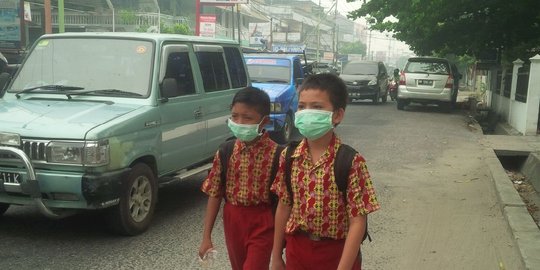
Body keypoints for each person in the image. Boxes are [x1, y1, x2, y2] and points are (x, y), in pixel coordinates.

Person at [270, 73, 380, 270]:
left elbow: (357, 220)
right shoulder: (288, 156)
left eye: (317, 107)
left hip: (337, 254)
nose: (307, 112)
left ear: (337, 115)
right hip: (298, 249)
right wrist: (276, 256)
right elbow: (283, 207)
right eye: (302, 106)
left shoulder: (350, 161)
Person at [199, 86, 281, 270]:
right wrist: (206, 237)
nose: (239, 122)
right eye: (235, 116)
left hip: (263, 221)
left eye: (248, 117)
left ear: (264, 121)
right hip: (233, 219)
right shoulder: (226, 151)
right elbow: (215, 193)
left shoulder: (278, 154)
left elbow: (285, 201)